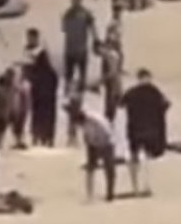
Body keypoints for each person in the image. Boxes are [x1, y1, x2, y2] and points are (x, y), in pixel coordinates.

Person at [121, 68, 170, 196]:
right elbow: (166, 104)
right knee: (146, 158)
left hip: (134, 129)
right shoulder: (154, 91)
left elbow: (120, 103)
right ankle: (146, 185)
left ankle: (135, 188)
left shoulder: (132, 92)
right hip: (151, 129)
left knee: (134, 157)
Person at [71, 102, 117, 202]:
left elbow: (107, 132)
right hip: (93, 144)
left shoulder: (95, 120)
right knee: (90, 169)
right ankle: (89, 195)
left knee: (109, 169)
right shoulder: (84, 123)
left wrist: (98, 143)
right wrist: (89, 143)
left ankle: (110, 193)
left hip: (107, 143)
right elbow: (86, 135)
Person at [24, 28, 59, 146]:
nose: (29, 40)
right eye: (28, 37)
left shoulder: (41, 50)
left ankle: (48, 137)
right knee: (36, 111)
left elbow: (33, 62)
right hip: (37, 85)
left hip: (48, 83)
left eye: (31, 37)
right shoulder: (27, 49)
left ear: (36, 38)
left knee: (48, 111)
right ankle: (36, 135)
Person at [61, 0, 97, 94]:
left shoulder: (85, 13)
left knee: (82, 72)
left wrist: (96, 39)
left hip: (81, 49)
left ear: (80, 0)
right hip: (70, 49)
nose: (73, 1)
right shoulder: (67, 14)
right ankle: (67, 91)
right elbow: (64, 29)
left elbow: (92, 27)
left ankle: (81, 91)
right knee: (69, 73)